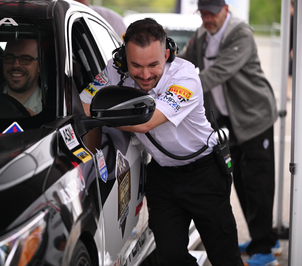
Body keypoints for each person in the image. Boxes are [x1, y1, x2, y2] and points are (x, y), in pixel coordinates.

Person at [81, 18, 243, 266]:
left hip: (204, 174)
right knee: (170, 258)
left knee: (225, 258)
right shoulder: (115, 69)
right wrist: (96, 112)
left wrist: (103, 116)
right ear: (124, 58)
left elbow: (147, 122)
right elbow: (85, 102)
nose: (145, 75)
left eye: (153, 65)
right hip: (162, 177)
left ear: (167, 54)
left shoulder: (185, 76)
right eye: (136, 65)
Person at [178, 1, 280, 265]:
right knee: (242, 180)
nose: (207, 18)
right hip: (227, 120)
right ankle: (263, 237)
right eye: (203, 13)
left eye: (212, 13)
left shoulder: (240, 33)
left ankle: (266, 249)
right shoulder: (202, 35)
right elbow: (185, 61)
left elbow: (220, 72)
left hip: (254, 117)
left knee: (259, 182)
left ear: (225, 8)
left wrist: (176, 94)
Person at [2, 39, 42, 116]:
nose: (16, 65)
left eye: (25, 59)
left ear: (40, 66)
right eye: (9, 58)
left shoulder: (50, 112)